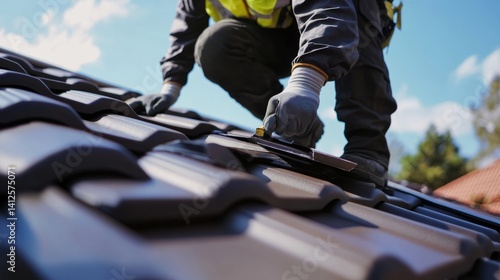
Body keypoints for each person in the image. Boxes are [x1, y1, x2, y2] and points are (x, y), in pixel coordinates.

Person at [127, 0, 398, 188]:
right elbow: (187, 26)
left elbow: (329, 11)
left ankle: (368, 149)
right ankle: (298, 127)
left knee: (360, 9)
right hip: (277, 38)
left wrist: (306, 83)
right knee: (214, 45)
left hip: (340, 20)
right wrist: (170, 86)